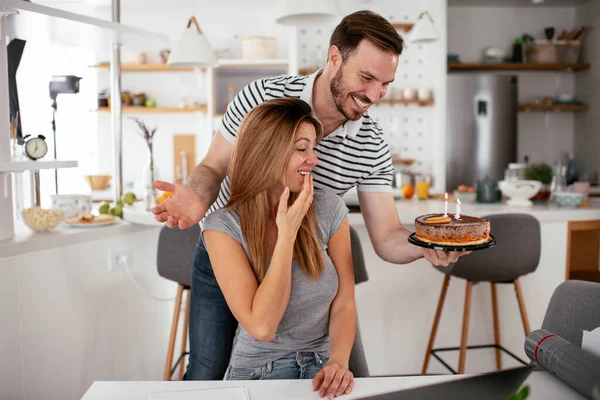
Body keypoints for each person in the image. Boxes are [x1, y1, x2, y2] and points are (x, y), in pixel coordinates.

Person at [152, 10, 469, 381]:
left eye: (385, 84)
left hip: (304, 254)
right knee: (208, 370)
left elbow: (386, 237)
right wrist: (199, 197)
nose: (374, 95)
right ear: (335, 57)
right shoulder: (261, 96)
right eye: (366, 78)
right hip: (234, 247)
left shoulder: (372, 145)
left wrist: (426, 244)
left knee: (350, 367)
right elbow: (213, 167)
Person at [202, 98, 355, 398]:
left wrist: (339, 361)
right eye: (302, 149)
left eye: (313, 148)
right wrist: (287, 234)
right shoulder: (223, 227)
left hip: (325, 372)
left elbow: (345, 300)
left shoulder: (330, 209)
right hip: (259, 373)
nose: (313, 159)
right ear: (267, 153)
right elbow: (262, 326)